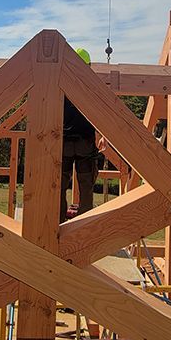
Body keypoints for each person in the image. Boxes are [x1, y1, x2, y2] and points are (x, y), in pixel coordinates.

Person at [61, 48, 98, 221]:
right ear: (88, 66)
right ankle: (84, 225)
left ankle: (58, 222)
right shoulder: (92, 85)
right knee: (86, 186)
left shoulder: (62, 83)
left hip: (64, 141)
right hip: (85, 142)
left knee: (59, 185)